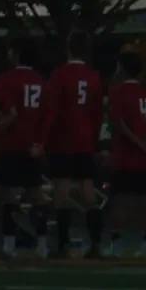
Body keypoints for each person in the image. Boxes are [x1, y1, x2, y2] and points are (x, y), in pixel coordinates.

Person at [39, 29, 106, 258]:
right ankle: (96, 243)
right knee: (88, 193)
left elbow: (51, 112)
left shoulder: (59, 76)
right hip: (85, 141)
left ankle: (63, 244)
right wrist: (94, 139)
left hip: (63, 141)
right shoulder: (93, 76)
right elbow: (98, 113)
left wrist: (42, 141)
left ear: (68, 48)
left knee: (62, 192)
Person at [0, 39, 47, 259]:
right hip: (33, 145)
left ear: (16, 53)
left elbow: (5, 111)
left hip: (11, 144)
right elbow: (48, 116)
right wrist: (41, 143)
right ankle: (43, 243)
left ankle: (9, 243)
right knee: (36, 195)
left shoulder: (7, 80)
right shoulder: (41, 82)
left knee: (8, 194)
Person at [107, 49, 146, 257]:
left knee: (120, 201)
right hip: (145, 158)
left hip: (126, 157)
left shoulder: (119, 92)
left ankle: (117, 244)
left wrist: (139, 143)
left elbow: (119, 124)